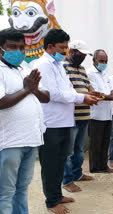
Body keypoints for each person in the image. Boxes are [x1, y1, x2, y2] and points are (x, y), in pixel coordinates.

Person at [34, 29, 99, 214]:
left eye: (66, 47)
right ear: (49, 47)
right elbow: (53, 94)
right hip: (51, 124)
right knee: (50, 164)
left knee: (61, 161)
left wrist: (86, 94)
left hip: (65, 121)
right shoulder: (43, 65)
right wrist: (81, 98)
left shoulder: (59, 65)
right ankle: (52, 202)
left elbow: (69, 89)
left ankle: (57, 194)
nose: (65, 51)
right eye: (62, 48)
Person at [0, 28, 49, 214]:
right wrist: (27, 89)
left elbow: (46, 97)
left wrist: (33, 89)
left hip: (31, 139)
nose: (19, 52)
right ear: (1, 49)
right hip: (10, 142)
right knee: (5, 192)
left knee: (22, 189)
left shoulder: (25, 68)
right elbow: (1, 102)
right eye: (13, 47)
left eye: (22, 47)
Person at [62, 40, 96, 193]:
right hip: (71, 115)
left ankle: (77, 174)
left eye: (84, 56)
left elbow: (87, 84)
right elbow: (66, 91)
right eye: (80, 55)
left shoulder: (81, 68)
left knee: (79, 149)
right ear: (72, 51)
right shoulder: (63, 67)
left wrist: (92, 91)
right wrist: (85, 95)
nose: (82, 58)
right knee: (68, 151)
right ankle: (67, 180)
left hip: (84, 114)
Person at [87, 49, 113, 173]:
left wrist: (112, 94)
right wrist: (112, 96)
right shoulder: (90, 73)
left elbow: (111, 89)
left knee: (105, 142)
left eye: (106, 61)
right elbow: (97, 94)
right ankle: (94, 167)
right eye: (101, 61)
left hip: (108, 113)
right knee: (96, 143)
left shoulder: (105, 74)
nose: (104, 63)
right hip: (96, 114)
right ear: (94, 60)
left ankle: (103, 165)